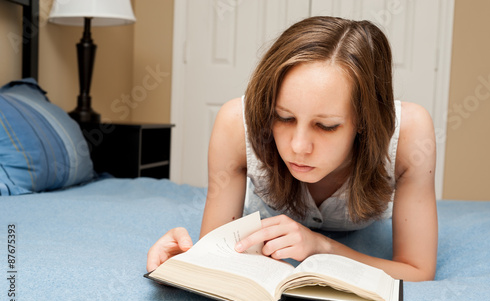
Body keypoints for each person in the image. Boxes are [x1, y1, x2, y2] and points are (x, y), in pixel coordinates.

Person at [147, 16, 438, 282]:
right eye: (283, 118)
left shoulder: (410, 135)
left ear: (364, 120)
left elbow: (417, 270)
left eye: (326, 126)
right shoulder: (236, 123)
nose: (298, 147)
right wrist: (185, 263)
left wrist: (322, 247)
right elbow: (214, 253)